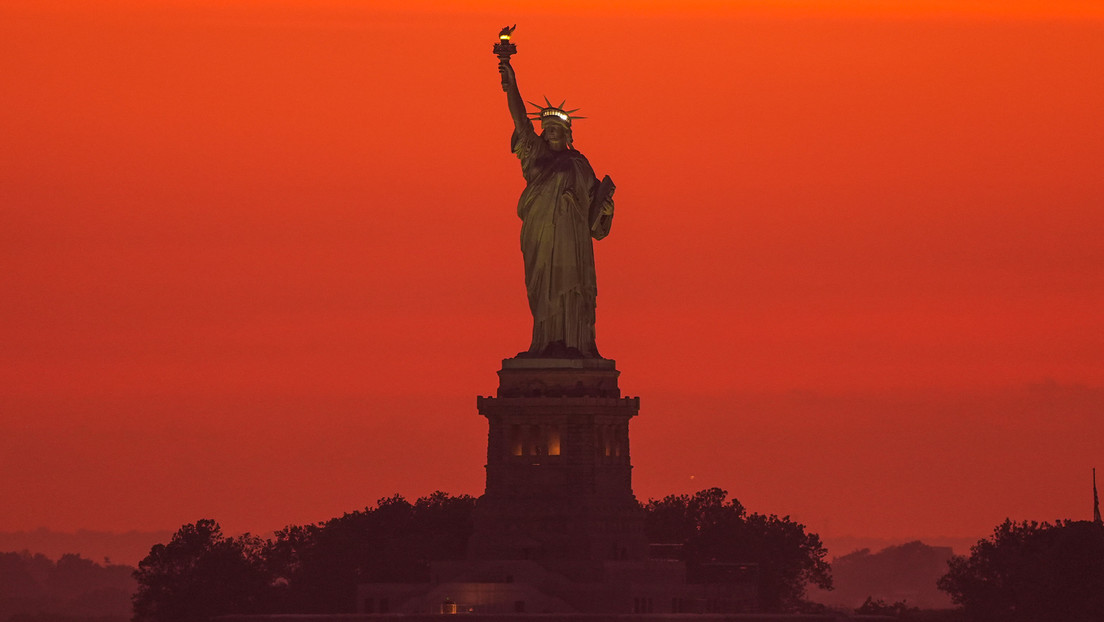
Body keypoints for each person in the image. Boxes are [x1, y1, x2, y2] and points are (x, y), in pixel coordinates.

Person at [498, 58, 615, 358]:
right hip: (541, 234)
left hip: (572, 241)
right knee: (543, 286)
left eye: (555, 129)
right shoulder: (535, 155)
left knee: (572, 285)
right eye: (546, 128)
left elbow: (595, 220)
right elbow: (520, 120)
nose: (549, 132)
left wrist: (606, 207)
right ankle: (545, 343)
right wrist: (511, 81)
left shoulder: (579, 164)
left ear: (566, 134)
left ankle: (575, 344)